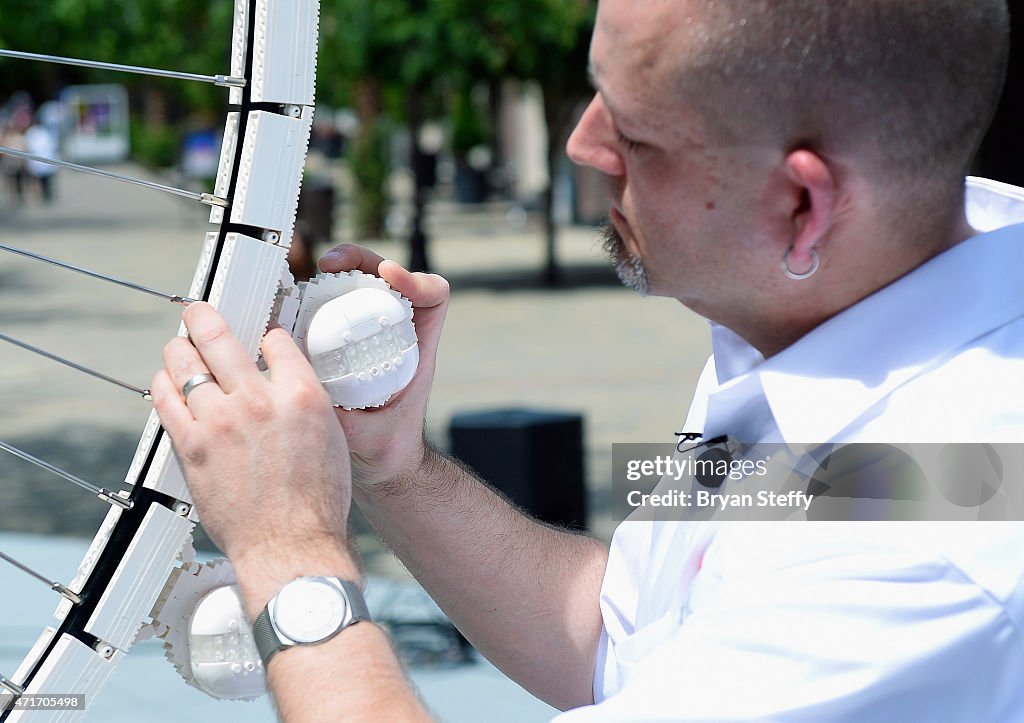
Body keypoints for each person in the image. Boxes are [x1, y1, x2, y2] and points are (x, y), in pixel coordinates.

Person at [153, 1, 1024, 720]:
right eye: (594, 87)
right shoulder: (832, 310)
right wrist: (395, 465)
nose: (581, 143)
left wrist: (287, 547)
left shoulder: (940, 542)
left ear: (802, 204)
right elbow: (622, 639)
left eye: (636, 136)